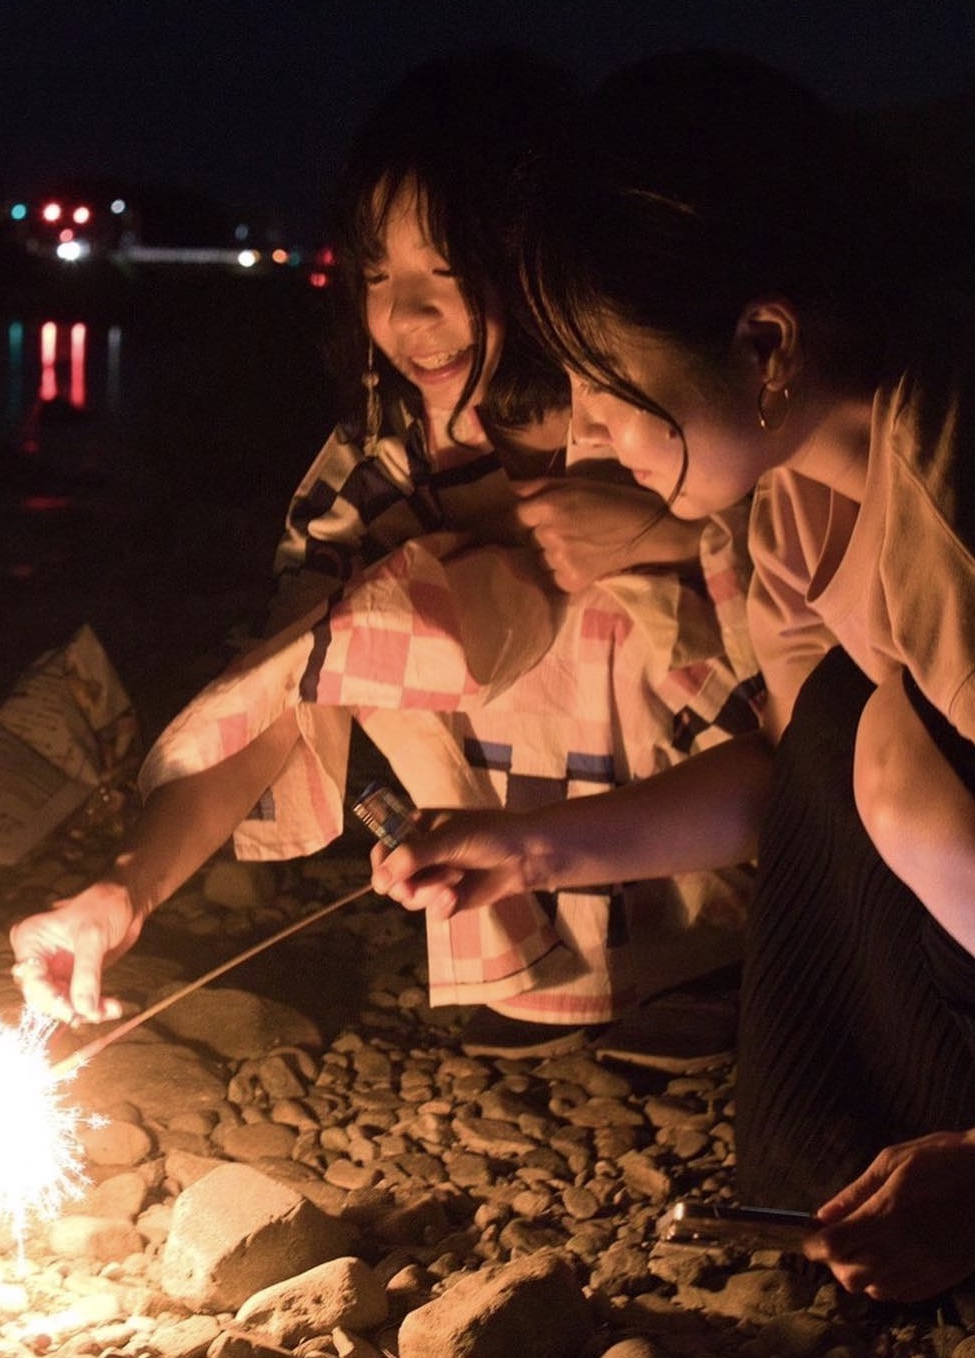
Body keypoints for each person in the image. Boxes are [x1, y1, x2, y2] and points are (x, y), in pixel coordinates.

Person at [368, 49, 975, 1303]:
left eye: (601, 386)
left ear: (763, 341)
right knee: (843, 745)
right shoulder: (787, 503)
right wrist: (529, 847)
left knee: (889, 765)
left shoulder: (948, 506)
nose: (581, 435)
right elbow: (788, 789)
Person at [10, 51, 761, 1062]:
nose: (408, 318)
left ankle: (720, 948)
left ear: (539, 265)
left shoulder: (638, 415)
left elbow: (802, 560)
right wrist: (125, 888)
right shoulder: (373, 473)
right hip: (517, 864)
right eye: (378, 280)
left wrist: (663, 532)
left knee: (594, 592)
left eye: (446, 281)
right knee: (367, 624)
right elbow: (277, 697)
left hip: (739, 814)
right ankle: (530, 958)